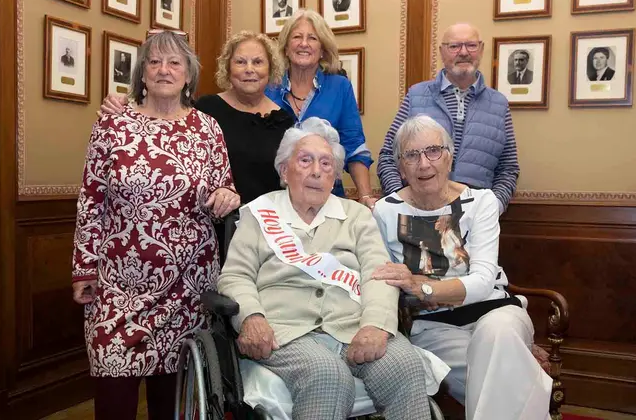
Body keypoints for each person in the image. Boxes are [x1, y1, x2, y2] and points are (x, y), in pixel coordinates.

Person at [71, 30, 241, 420]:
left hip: (187, 286)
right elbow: (91, 199)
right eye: (154, 62)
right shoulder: (113, 123)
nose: (164, 70)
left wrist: (227, 196)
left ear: (188, 74)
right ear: (142, 73)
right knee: (113, 391)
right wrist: (83, 268)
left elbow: (224, 189)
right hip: (118, 286)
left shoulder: (208, 129)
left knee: (172, 403)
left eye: (174, 62)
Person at [217, 117, 432, 420]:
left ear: (334, 177)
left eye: (326, 164)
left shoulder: (356, 216)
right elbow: (236, 276)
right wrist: (252, 317)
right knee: (328, 375)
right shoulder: (259, 213)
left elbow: (379, 275)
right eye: (305, 161)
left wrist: (375, 325)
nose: (316, 171)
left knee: (404, 365)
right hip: (285, 331)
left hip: (352, 325)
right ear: (284, 171)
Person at [372, 115, 552, 420]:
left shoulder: (481, 202)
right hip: (434, 326)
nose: (424, 164)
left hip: (496, 310)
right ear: (400, 167)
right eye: (412, 155)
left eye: (433, 151)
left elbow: (482, 283)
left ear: (449, 157)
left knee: (497, 336)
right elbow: (383, 282)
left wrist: (421, 286)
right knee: (503, 373)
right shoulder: (385, 212)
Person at [98, 31, 294, 260]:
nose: (249, 69)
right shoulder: (205, 111)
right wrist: (124, 103)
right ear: (228, 69)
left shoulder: (285, 121)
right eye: (240, 62)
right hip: (210, 234)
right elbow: (162, 117)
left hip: (269, 234)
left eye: (258, 62)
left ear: (270, 68)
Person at [377, 22, 519, 215]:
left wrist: (492, 209)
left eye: (471, 45)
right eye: (454, 46)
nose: (463, 52)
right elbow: (388, 156)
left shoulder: (499, 104)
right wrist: (400, 201)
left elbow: (508, 168)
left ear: (481, 49)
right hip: (416, 213)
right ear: (442, 52)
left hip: (474, 217)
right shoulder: (416, 95)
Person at [267, 9, 376, 209]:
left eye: (312, 38)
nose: (304, 44)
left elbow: (354, 146)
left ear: (323, 49)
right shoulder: (269, 87)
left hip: (327, 197)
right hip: (274, 198)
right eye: (297, 37)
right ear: (285, 48)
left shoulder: (340, 87)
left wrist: (365, 196)